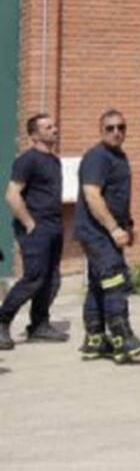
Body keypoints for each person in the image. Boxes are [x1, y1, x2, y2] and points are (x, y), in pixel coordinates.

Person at [75, 109, 140, 362]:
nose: (116, 132)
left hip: (107, 231)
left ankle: (95, 340)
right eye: (110, 128)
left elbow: (118, 197)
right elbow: (92, 195)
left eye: (121, 127)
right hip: (97, 232)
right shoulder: (97, 157)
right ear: (101, 131)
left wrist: (128, 224)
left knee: (99, 284)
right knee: (115, 282)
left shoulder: (119, 157)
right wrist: (113, 228)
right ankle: (124, 340)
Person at [0, 114, 69, 349]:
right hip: (36, 228)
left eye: (54, 125)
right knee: (33, 279)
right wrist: (29, 223)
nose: (55, 129)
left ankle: (39, 325)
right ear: (34, 135)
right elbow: (12, 194)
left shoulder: (54, 161)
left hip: (53, 227)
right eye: (48, 127)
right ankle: (2, 321)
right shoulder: (27, 161)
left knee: (51, 280)